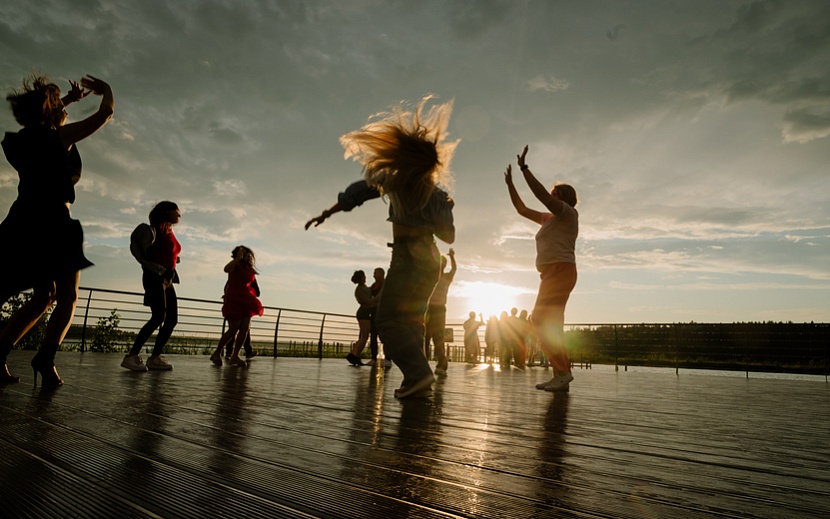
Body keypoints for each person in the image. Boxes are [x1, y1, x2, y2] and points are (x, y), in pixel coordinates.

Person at [307, 96, 458, 399]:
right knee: (412, 319)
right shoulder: (439, 195)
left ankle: (419, 374)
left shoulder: (395, 180)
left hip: (407, 257)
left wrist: (327, 213)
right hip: (431, 257)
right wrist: (440, 212)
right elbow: (449, 237)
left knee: (388, 320)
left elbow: (357, 194)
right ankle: (414, 379)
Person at [0, 74, 113, 387]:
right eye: (59, 106)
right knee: (67, 296)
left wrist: (67, 101)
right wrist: (107, 91)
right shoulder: (58, 138)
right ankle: (45, 358)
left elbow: (43, 120)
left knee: (43, 295)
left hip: (22, 217)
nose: (66, 111)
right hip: (52, 220)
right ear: (51, 114)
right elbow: (105, 114)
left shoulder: (24, 139)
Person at [504, 145, 578, 392]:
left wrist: (525, 169)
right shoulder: (549, 219)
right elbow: (522, 209)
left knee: (538, 319)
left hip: (560, 270)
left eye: (554, 194)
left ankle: (561, 372)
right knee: (553, 324)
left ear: (563, 197)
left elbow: (541, 197)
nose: (551, 196)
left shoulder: (568, 214)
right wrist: (510, 185)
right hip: (551, 273)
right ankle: (563, 374)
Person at [123, 201, 182, 371]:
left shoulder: (169, 230)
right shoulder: (151, 230)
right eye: (175, 210)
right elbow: (145, 253)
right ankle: (131, 356)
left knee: (171, 319)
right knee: (158, 317)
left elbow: (168, 252)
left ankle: (154, 357)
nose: (179, 213)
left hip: (168, 279)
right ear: (166, 212)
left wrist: (173, 259)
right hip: (154, 276)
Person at [210, 246, 264, 367]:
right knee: (234, 328)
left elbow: (253, 285)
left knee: (245, 328)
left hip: (246, 299)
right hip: (234, 298)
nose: (245, 256)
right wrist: (238, 258)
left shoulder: (249, 268)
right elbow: (226, 269)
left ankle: (235, 355)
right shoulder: (235, 265)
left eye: (246, 254)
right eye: (242, 254)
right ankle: (217, 352)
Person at [424, 248, 456, 375]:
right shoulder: (430, 276)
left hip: (439, 309)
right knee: (426, 336)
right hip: (429, 308)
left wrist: (452, 257)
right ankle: (424, 363)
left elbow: (454, 269)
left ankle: (442, 364)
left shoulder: (447, 277)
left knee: (438, 337)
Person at [222, 277, 260, 359]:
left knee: (233, 329)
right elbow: (257, 292)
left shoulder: (233, 276)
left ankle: (229, 352)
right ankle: (246, 351)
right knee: (244, 329)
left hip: (233, 305)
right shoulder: (250, 277)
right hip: (245, 306)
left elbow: (226, 288)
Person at [346, 270, 375, 366]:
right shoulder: (359, 290)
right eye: (364, 276)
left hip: (365, 313)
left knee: (364, 336)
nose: (365, 278)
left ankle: (354, 354)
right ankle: (356, 355)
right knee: (365, 336)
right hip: (363, 314)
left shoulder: (363, 288)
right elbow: (368, 301)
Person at [366, 267, 387, 367]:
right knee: (373, 335)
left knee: (384, 336)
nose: (374, 275)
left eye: (376, 273)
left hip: (384, 313)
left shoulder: (386, 285)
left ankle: (388, 358)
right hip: (374, 313)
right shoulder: (373, 286)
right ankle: (374, 357)